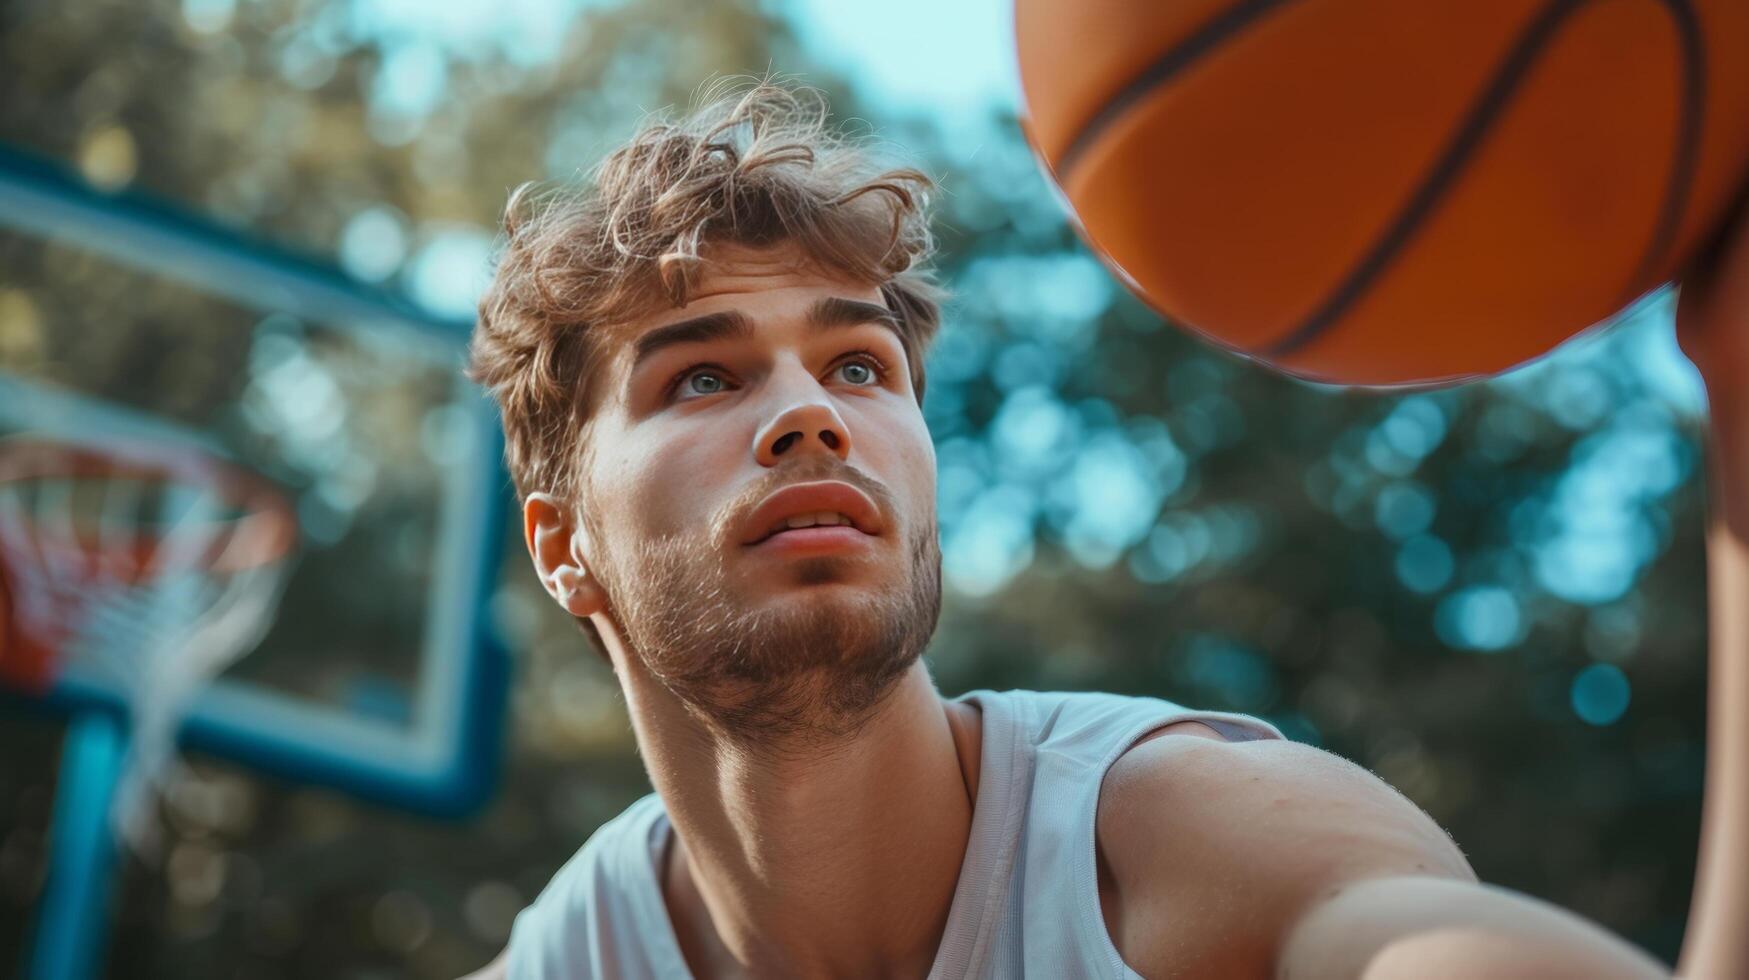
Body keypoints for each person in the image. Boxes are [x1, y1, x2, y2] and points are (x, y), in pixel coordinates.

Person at [460, 78, 1736, 979]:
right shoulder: (587, 950)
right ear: (561, 542)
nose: (812, 417)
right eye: (702, 376)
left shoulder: (1200, 849)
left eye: (859, 367)